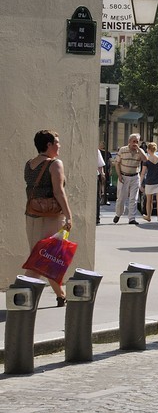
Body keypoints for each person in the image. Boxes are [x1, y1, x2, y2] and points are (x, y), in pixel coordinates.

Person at [24, 129, 72, 306]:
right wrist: (69, 216)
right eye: (57, 142)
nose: (59, 146)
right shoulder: (55, 164)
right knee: (44, 259)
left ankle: (61, 295)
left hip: (32, 216)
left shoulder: (29, 164)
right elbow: (59, 192)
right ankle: (21, 295)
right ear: (49, 145)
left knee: (47, 258)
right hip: (51, 217)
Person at [112, 133, 143, 223]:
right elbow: (117, 163)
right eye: (133, 141)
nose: (135, 143)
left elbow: (145, 159)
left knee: (134, 198)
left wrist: (139, 149)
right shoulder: (123, 150)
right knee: (121, 198)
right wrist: (119, 175)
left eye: (137, 141)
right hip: (124, 176)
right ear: (129, 141)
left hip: (135, 176)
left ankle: (132, 218)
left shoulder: (140, 151)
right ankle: (118, 214)